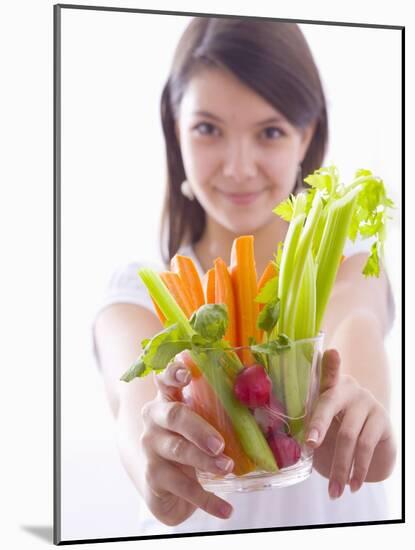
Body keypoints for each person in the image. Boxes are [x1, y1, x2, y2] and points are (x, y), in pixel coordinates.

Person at [92, 17, 397, 534]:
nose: (238, 167)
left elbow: (356, 339)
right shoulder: (138, 294)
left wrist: (367, 435)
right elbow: (137, 411)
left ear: (307, 136)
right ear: (174, 129)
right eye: (208, 128)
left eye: (270, 131)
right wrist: (154, 464)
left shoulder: (346, 267)